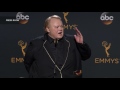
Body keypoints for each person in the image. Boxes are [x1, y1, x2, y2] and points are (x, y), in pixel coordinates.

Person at [24, 15, 91, 78]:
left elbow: (86, 56)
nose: (60, 29)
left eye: (61, 26)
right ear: (48, 29)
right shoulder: (36, 43)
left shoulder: (73, 40)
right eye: (56, 27)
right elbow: (28, 63)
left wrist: (81, 44)